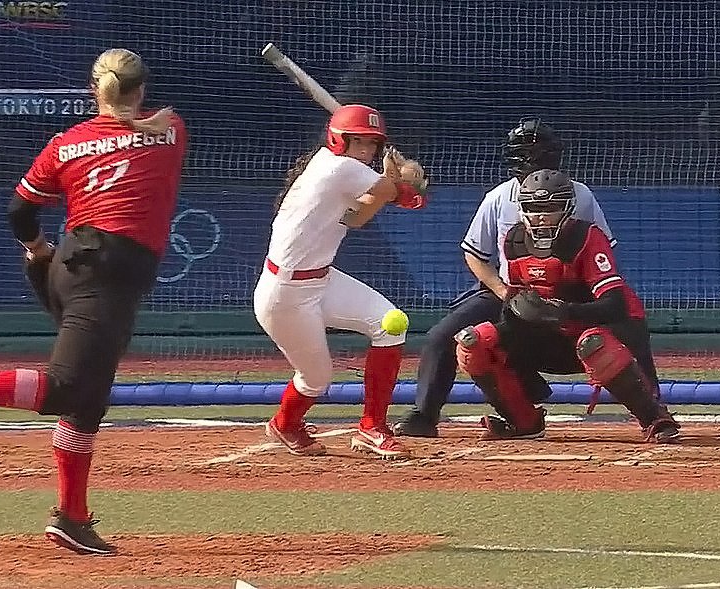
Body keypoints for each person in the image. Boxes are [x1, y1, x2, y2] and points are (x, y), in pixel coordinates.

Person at [0, 48, 187, 555]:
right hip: (105, 274)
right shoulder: (171, 131)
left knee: (86, 400)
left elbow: (21, 210)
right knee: (67, 388)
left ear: (95, 92)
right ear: (140, 90)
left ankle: (71, 515)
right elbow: (155, 127)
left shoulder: (67, 143)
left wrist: (37, 250)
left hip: (73, 264)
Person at [394, 118, 616, 437]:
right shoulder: (499, 197)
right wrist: (503, 291)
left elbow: (601, 249)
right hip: (508, 291)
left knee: (619, 330)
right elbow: (474, 252)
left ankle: (651, 411)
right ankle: (424, 416)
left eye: (541, 153)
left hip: (564, 294)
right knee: (443, 338)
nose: (535, 161)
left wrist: (577, 299)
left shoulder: (580, 196)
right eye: (528, 154)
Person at [454, 168, 679, 443]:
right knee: (474, 342)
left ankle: (653, 417)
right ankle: (523, 420)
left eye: (550, 208)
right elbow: (513, 307)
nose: (541, 216)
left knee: (593, 344)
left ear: (568, 208)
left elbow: (616, 305)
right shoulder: (513, 242)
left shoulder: (587, 238)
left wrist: (563, 312)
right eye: (534, 208)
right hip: (550, 337)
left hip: (605, 332)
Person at [254, 104, 427, 460]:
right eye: (358, 143)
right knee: (316, 380)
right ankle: (285, 424)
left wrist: (391, 184)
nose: (364, 152)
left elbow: (358, 217)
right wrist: (404, 181)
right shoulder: (337, 168)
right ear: (338, 140)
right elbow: (410, 200)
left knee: (389, 323)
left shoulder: (343, 170)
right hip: (285, 295)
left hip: (322, 279)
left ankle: (371, 427)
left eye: (370, 145)